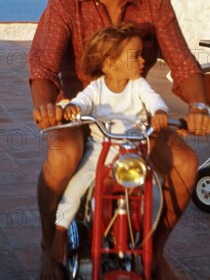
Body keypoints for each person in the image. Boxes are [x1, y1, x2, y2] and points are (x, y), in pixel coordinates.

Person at [28, 0, 210, 280]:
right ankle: (51, 244)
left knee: (185, 164)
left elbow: (183, 64)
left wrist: (198, 107)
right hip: (79, 110)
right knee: (62, 157)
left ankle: (156, 250)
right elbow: (43, 67)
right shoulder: (66, 1)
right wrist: (47, 107)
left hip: (134, 113)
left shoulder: (154, 4)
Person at [49, 22, 170, 265]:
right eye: (135, 56)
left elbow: (154, 99)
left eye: (142, 56)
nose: (143, 61)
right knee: (73, 189)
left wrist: (159, 112)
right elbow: (83, 101)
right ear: (110, 63)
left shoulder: (138, 86)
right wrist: (74, 108)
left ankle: (148, 242)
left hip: (133, 154)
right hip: (100, 154)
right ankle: (59, 235)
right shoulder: (96, 89)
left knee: (155, 196)